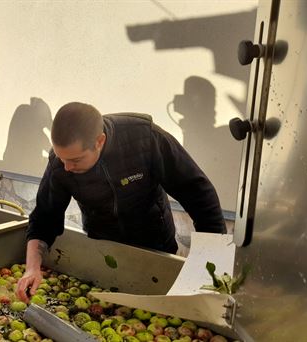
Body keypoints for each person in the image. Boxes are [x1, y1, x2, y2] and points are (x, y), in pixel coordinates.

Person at [15, 102, 226, 302]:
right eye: (62, 159)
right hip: (103, 247)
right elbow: (44, 218)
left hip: (155, 245)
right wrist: (32, 268)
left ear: (100, 141)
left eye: (76, 160)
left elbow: (199, 195)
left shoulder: (145, 138)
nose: (67, 167)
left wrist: (210, 263)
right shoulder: (60, 164)